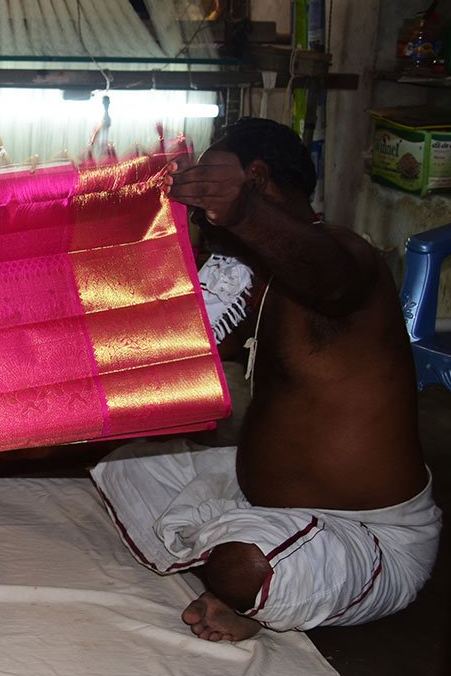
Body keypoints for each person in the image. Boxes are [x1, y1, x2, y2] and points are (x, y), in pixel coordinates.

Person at [91, 118, 441, 641]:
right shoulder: (248, 273)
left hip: (366, 533)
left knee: (243, 568)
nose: (198, 200)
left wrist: (243, 213)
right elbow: (184, 352)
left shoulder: (348, 255)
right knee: (125, 467)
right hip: (256, 500)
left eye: (211, 177)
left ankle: (245, 576)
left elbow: (334, 284)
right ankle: (243, 557)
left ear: (254, 178)